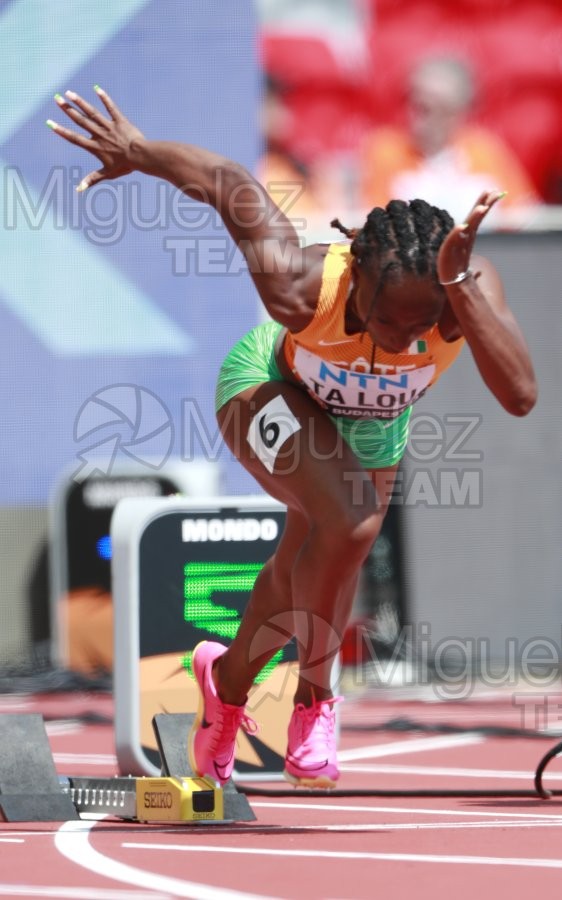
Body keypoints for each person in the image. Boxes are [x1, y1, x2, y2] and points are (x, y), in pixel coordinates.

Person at [48, 86, 537, 789]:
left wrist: (460, 287)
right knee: (352, 520)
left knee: (305, 565)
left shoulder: (461, 296)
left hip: (371, 424)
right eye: (383, 320)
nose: (400, 341)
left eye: (416, 327)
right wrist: (142, 154)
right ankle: (315, 699)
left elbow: (520, 395)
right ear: (356, 272)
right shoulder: (301, 283)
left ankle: (229, 685)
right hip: (269, 391)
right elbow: (229, 184)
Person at [360, 56, 540, 225]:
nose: (418, 118)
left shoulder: (485, 150)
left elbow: (524, 215)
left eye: (435, 109)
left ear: (460, 111)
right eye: (414, 104)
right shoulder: (385, 149)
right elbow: (369, 219)